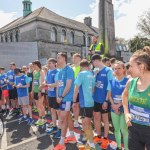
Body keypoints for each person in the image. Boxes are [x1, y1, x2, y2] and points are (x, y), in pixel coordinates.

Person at [122, 49, 150, 150]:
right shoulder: (131, 82)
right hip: (134, 128)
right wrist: (126, 113)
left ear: (142, 66)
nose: (128, 70)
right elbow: (124, 96)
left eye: (131, 66)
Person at [53, 53, 76, 150]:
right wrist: (58, 96)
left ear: (63, 58)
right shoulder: (60, 71)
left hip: (66, 99)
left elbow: (69, 85)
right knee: (68, 117)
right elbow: (58, 85)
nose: (57, 59)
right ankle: (72, 136)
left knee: (63, 119)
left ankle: (62, 142)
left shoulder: (69, 70)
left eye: (58, 58)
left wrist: (61, 96)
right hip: (61, 98)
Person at [91, 54, 113, 149]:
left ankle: (105, 138)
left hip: (104, 99)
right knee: (96, 117)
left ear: (97, 61)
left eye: (93, 62)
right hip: (95, 99)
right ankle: (99, 136)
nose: (93, 64)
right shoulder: (94, 71)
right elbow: (92, 86)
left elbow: (110, 87)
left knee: (105, 119)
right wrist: (94, 75)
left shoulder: (108, 70)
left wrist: (106, 100)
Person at [73, 59, 96, 149]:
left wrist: (74, 100)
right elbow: (93, 89)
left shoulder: (81, 74)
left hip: (85, 102)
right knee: (87, 123)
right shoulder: (91, 74)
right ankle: (89, 141)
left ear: (81, 66)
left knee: (86, 124)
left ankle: (91, 144)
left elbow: (76, 87)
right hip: (90, 101)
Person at [108, 61, 128, 150]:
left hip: (124, 108)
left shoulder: (128, 81)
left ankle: (126, 148)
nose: (117, 70)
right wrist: (114, 106)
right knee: (116, 129)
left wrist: (118, 106)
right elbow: (109, 95)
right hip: (114, 108)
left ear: (123, 69)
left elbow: (127, 96)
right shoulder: (111, 80)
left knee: (124, 130)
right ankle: (119, 147)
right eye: (115, 68)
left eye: (119, 68)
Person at [43, 58, 60, 135]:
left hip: (56, 95)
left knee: (58, 112)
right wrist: (43, 83)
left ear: (54, 64)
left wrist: (47, 85)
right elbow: (45, 80)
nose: (48, 65)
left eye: (50, 63)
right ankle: (54, 125)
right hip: (50, 94)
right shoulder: (48, 72)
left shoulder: (57, 72)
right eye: (48, 63)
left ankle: (60, 129)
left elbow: (57, 84)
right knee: (52, 111)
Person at [32, 60, 46, 125]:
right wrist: (32, 91)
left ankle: (43, 118)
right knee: (38, 105)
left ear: (37, 65)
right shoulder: (34, 72)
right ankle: (41, 118)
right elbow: (33, 82)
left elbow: (43, 82)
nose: (33, 66)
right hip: (35, 90)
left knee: (40, 105)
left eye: (34, 65)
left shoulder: (41, 72)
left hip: (40, 91)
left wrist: (40, 91)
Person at [72, 53, 81, 128]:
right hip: (74, 90)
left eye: (75, 58)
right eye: (73, 58)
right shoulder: (73, 68)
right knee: (75, 106)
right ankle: (76, 120)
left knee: (81, 106)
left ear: (79, 59)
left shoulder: (82, 67)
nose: (73, 59)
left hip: (81, 90)